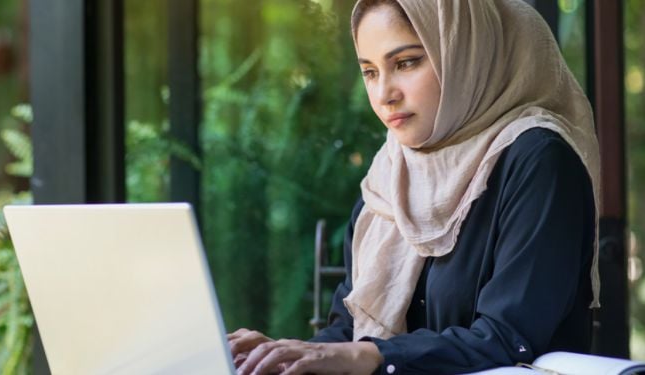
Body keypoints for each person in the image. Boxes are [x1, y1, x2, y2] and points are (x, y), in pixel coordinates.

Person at [228, 0, 601, 374]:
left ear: (465, 55)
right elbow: (349, 332)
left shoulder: (539, 159)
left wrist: (376, 357)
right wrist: (281, 355)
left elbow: (509, 338)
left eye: (406, 63)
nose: (383, 94)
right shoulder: (391, 173)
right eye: (370, 72)